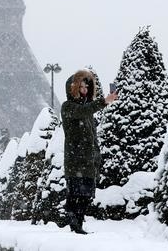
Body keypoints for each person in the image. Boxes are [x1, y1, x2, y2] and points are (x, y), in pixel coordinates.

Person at [60, 69, 118, 234]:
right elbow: (82, 111)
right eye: (81, 87)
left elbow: (92, 138)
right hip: (75, 160)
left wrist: (97, 157)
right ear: (73, 88)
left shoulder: (88, 112)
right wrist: (104, 101)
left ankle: (78, 223)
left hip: (88, 161)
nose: (84, 90)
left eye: (86, 87)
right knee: (75, 194)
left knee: (85, 195)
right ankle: (74, 224)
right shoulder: (68, 107)